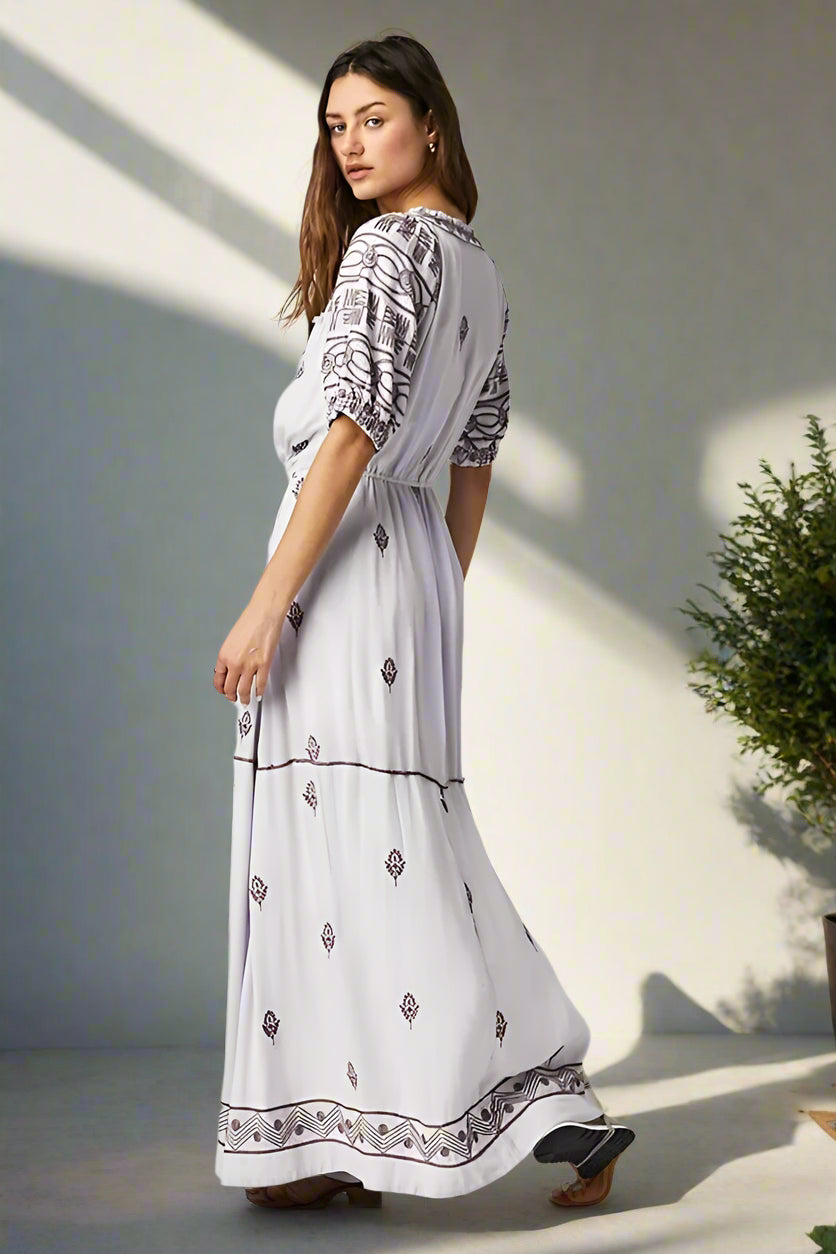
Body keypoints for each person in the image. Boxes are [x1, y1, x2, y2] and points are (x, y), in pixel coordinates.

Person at [212, 33, 635, 1212]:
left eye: (372, 120)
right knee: (391, 840)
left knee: (347, 843)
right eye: (333, 126)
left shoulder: (391, 252)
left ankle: (498, 1118)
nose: (349, 145)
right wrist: (436, 589)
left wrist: (268, 605)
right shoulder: (477, 268)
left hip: (344, 567)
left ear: (430, 126)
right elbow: (475, 454)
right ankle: (360, 1137)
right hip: (404, 578)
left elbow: (347, 434)